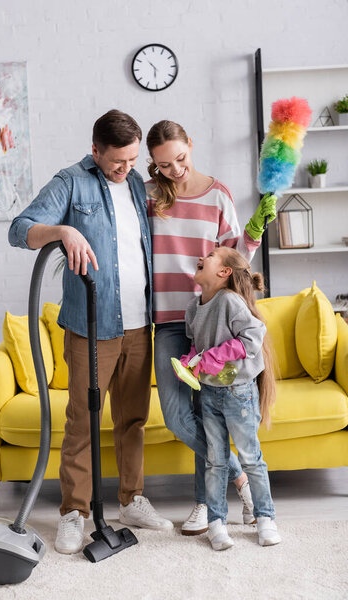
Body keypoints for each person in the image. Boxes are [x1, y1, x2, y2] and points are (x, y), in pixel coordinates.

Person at [8, 109, 173, 555]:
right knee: (82, 420)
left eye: (133, 160)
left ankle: (132, 500)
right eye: (117, 161)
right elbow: (18, 230)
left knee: (132, 418)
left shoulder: (137, 184)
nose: (126, 169)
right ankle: (73, 512)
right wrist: (63, 230)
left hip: (141, 322)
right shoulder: (70, 182)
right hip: (91, 325)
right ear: (95, 149)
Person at [145, 120, 277, 535]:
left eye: (180, 158)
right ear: (153, 164)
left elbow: (233, 262)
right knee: (178, 417)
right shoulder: (148, 196)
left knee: (208, 416)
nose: (175, 170)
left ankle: (205, 503)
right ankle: (240, 479)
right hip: (168, 319)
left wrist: (252, 235)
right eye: (163, 165)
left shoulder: (218, 194)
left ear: (190, 145)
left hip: (213, 324)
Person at [180, 245, 280, 550]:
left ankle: (265, 518)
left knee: (251, 458)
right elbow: (199, 345)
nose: (201, 257)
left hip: (239, 393)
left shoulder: (230, 301)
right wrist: (191, 361)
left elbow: (253, 335)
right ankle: (216, 523)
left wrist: (215, 356)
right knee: (215, 461)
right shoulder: (193, 308)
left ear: (224, 273)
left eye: (210, 256)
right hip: (209, 394)